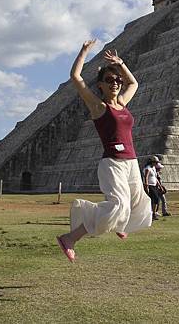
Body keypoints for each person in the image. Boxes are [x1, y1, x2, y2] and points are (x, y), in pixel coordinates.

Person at [56, 40, 152, 263]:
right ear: (100, 85)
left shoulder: (122, 103)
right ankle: (70, 238)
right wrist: (83, 51)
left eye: (117, 80)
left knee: (139, 201)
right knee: (118, 205)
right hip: (113, 163)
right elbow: (76, 78)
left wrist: (120, 64)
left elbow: (134, 83)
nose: (116, 83)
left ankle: (121, 223)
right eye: (109, 80)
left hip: (131, 161)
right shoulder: (99, 107)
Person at [144, 156, 162, 220]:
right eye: (155, 162)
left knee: (156, 200)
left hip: (154, 186)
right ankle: (152, 214)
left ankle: (153, 213)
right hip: (150, 185)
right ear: (152, 162)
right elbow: (146, 177)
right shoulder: (148, 168)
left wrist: (160, 186)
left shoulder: (153, 168)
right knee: (154, 199)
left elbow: (155, 178)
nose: (156, 164)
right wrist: (146, 186)